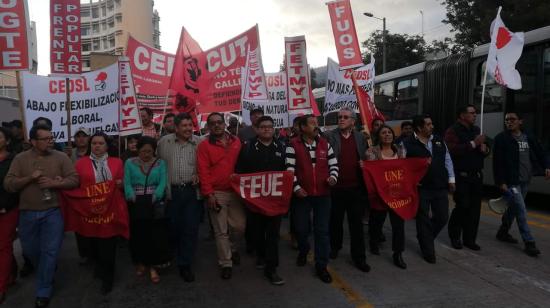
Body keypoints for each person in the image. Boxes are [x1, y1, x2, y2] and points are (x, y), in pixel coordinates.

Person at [4, 124, 79, 308]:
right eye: (45, 139)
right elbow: (9, 184)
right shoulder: (20, 159)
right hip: (27, 213)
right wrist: (29, 178)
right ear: (33, 141)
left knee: (50, 251)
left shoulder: (61, 157)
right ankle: (48, 267)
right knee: (30, 251)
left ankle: (43, 290)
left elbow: (74, 179)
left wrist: (55, 183)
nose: (50, 141)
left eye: (51, 137)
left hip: (52, 212)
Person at [286, 114, 339, 283]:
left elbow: (334, 165)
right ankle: (304, 249)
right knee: (301, 229)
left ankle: (321, 266)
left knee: (322, 231)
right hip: (302, 195)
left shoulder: (325, 144)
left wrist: (333, 178)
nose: (316, 126)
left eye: (316, 123)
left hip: (323, 195)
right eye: (312, 123)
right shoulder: (292, 145)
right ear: (302, 127)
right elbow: (289, 170)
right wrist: (296, 188)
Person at [72, 132, 126, 294]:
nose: (97, 146)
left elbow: (124, 184)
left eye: (100, 143)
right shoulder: (80, 164)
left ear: (107, 145)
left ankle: (108, 278)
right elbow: (76, 185)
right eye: (94, 143)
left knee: (108, 246)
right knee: (93, 245)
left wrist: (121, 184)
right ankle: (99, 267)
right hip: (90, 213)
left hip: (110, 211)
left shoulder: (117, 162)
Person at [236, 116, 286, 285]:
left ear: (274, 129)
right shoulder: (247, 148)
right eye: (263, 126)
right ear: (256, 129)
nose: (266, 129)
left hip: (275, 201)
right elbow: (240, 171)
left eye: (270, 126)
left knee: (273, 235)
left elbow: (288, 171)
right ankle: (261, 255)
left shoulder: (282, 147)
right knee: (257, 233)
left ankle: (271, 269)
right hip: (255, 201)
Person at [493, 112, 550, 257]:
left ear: (520, 121)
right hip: (512, 182)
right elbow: (497, 163)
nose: (509, 122)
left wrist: (547, 166)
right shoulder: (501, 139)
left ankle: (503, 231)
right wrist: (501, 182)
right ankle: (529, 243)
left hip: (526, 180)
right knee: (521, 210)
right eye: (507, 120)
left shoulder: (528, 136)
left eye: (512, 119)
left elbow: (541, 152)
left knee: (514, 207)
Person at [197, 112, 244, 280]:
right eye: (212, 123)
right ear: (208, 127)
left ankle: (232, 248)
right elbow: (203, 171)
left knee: (239, 227)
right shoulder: (203, 146)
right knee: (221, 230)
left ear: (224, 124)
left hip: (236, 192)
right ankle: (226, 262)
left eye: (219, 122)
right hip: (217, 193)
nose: (216, 125)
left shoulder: (236, 141)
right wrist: (209, 194)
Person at [402, 114, 455, 264]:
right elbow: (402, 166)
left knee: (442, 217)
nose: (432, 126)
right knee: (423, 219)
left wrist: (451, 179)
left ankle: (425, 237)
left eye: (431, 124)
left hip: (440, 186)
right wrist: (411, 182)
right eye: (428, 124)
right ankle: (428, 250)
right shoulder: (407, 143)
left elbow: (447, 159)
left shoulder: (438, 140)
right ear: (419, 127)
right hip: (421, 188)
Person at [157, 113, 202, 282]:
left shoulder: (200, 143)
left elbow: (205, 166)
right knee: (173, 227)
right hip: (171, 193)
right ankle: (173, 253)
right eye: (184, 126)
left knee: (190, 228)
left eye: (190, 125)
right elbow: (157, 165)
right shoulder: (164, 143)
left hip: (192, 192)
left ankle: (185, 264)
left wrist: (200, 176)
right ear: (176, 128)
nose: (188, 129)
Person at [325, 108, 370, 272]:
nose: (341, 119)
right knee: (335, 221)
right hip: (335, 188)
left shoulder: (360, 137)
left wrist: (367, 160)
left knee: (356, 225)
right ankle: (335, 247)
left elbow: (365, 157)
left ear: (353, 121)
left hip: (355, 188)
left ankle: (359, 258)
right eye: (339, 117)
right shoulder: (329, 136)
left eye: (345, 117)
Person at [124, 136, 170, 283]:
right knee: (138, 234)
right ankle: (140, 261)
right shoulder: (130, 163)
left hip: (153, 202)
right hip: (136, 203)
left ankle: (153, 266)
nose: (146, 154)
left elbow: (163, 181)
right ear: (138, 150)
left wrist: (157, 195)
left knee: (154, 235)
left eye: (149, 151)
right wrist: (130, 194)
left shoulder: (160, 163)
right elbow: (127, 182)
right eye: (143, 151)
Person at [445, 105, 490, 251]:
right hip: (461, 176)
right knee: (462, 206)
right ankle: (455, 236)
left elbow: (487, 147)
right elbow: (452, 150)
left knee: (474, 210)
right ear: (462, 115)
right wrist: (473, 143)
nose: (475, 115)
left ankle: (470, 239)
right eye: (471, 113)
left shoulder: (477, 130)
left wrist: (485, 149)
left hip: (476, 176)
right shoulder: (453, 130)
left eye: (475, 113)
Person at [366, 125, 408, 269]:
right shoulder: (372, 152)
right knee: (377, 222)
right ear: (379, 136)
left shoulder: (401, 150)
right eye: (383, 133)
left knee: (398, 225)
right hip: (380, 194)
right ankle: (374, 241)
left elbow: (406, 169)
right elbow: (371, 172)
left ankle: (398, 253)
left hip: (397, 195)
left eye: (389, 132)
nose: (387, 135)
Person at [0, 127, 19, 304]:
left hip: (7, 209)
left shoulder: (14, 160)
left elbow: (14, 186)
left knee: (4, 245)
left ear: (7, 141)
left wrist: (4, 205)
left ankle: (1, 287)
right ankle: (11, 273)